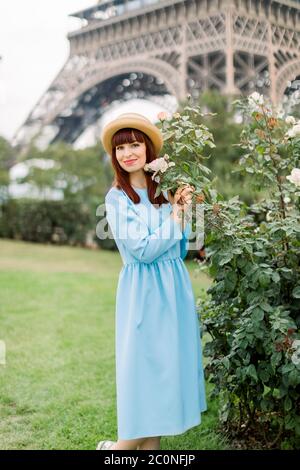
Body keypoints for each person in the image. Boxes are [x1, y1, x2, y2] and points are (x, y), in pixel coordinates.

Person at [96, 112, 207, 451]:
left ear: (148, 148)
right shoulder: (116, 199)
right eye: (120, 148)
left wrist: (188, 209)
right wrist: (174, 215)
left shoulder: (167, 192)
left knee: (162, 387)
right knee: (144, 381)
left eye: (134, 144)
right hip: (142, 295)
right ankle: (114, 452)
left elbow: (187, 244)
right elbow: (142, 251)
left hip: (174, 291)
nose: (128, 153)